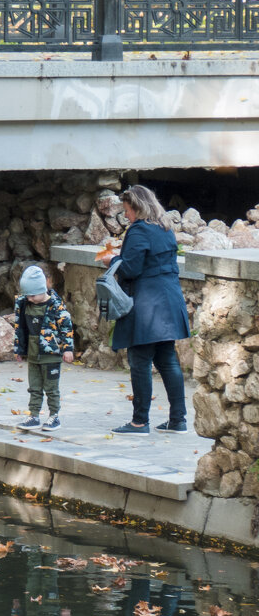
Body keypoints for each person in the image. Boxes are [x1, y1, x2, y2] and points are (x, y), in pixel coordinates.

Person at [104, 185, 190, 435]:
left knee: (140, 361)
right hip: (170, 299)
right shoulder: (164, 228)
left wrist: (113, 260)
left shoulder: (139, 230)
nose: (126, 216)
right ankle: (178, 420)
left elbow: (131, 270)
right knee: (167, 360)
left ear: (137, 207)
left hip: (147, 305)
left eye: (128, 210)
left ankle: (140, 422)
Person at [13, 265, 75, 431]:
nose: (30, 298)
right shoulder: (24, 304)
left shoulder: (56, 306)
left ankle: (54, 415)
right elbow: (20, 328)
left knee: (51, 388)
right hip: (33, 355)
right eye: (28, 295)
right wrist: (19, 349)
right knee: (34, 387)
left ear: (42, 289)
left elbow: (66, 327)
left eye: (33, 295)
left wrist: (68, 348)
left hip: (51, 355)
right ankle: (33, 415)